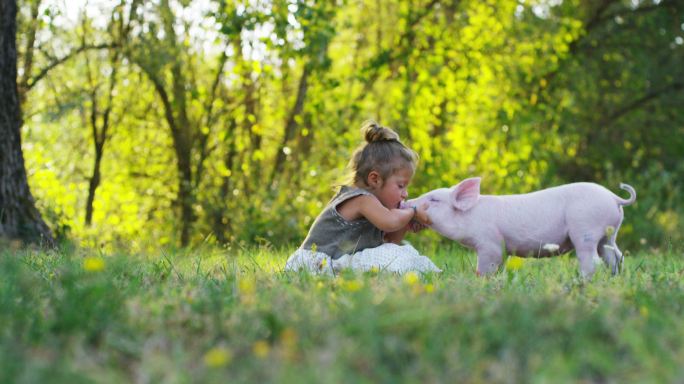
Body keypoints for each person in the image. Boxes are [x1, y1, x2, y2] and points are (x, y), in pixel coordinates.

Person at [285, 120, 441, 274]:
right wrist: (412, 211)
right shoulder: (362, 199)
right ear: (375, 179)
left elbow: (390, 242)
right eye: (401, 186)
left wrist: (405, 225)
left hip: (335, 263)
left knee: (397, 252)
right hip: (315, 265)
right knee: (396, 256)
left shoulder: (377, 206)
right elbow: (390, 222)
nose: (405, 193)